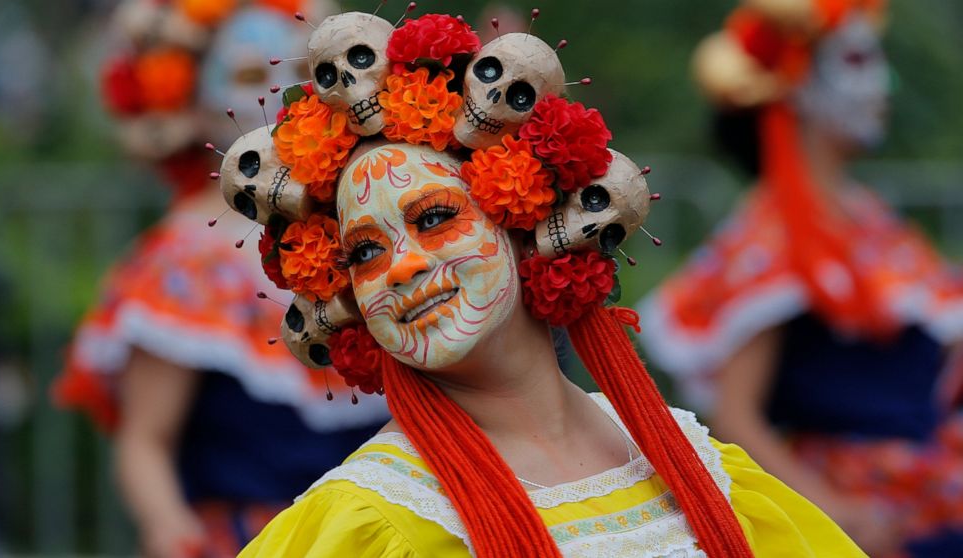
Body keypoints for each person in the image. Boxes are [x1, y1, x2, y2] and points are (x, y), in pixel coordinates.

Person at [208, 8, 865, 556]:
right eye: (365, 252)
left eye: (435, 218)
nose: (402, 267)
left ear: (525, 223)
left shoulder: (703, 469)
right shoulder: (368, 526)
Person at [53, 1, 387, 556]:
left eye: (299, 72)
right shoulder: (180, 261)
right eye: (250, 75)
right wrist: (170, 529)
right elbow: (145, 440)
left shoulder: (367, 215)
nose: (278, 91)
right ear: (195, 96)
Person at [637, 1, 963, 556]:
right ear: (795, 87)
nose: (886, 81)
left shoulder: (866, 217)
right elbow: (736, 415)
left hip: (933, 497)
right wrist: (838, 515)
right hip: (867, 518)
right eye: (858, 59)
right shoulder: (773, 238)